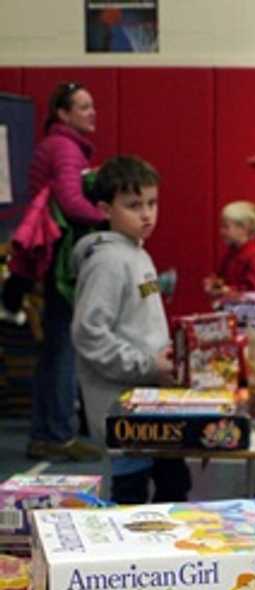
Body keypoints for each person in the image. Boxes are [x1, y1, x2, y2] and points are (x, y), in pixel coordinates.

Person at [71, 155, 191, 504]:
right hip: (122, 409)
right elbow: (88, 334)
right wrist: (149, 365)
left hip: (151, 401)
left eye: (152, 203)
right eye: (133, 205)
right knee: (131, 496)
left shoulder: (138, 254)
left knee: (174, 485)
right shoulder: (108, 261)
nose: (146, 214)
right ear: (105, 209)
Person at [22, 82, 106, 462]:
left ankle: (46, 432)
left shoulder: (57, 147)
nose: (92, 112)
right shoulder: (66, 148)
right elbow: (72, 202)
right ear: (63, 114)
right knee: (62, 348)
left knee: (53, 348)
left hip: (49, 256)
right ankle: (58, 433)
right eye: (83, 107)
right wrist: (108, 217)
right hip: (61, 261)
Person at [204, 201, 255, 298]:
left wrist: (225, 290)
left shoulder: (253, 255)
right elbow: (221, 278)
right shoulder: (231, 253)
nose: (221, 231)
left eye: (226, 227)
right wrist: (214, 284)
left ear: (243, 229)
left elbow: (251, 290)